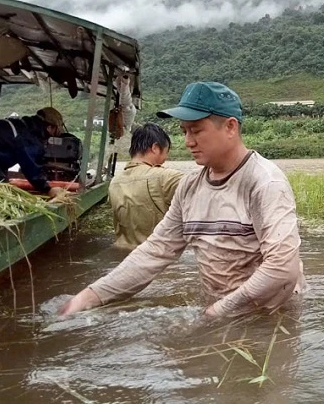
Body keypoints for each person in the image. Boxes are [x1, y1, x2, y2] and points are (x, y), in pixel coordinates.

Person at [59, 81, 305, 318]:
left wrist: (217, 312)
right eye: (184, 131)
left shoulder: (264, 183)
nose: (188, 142)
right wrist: (88, 297)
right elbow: (155, 251)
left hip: (268, 316)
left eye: (196, 131)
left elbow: (282, 269)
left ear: (230, 127)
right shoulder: (189, 186)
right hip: (223, 310)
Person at [109, 123, 185, 248]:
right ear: (155, 148)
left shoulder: (115, 182)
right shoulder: (166, 177)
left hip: (124, 256)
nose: (165, 158)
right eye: (166, 152)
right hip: (154, 256)